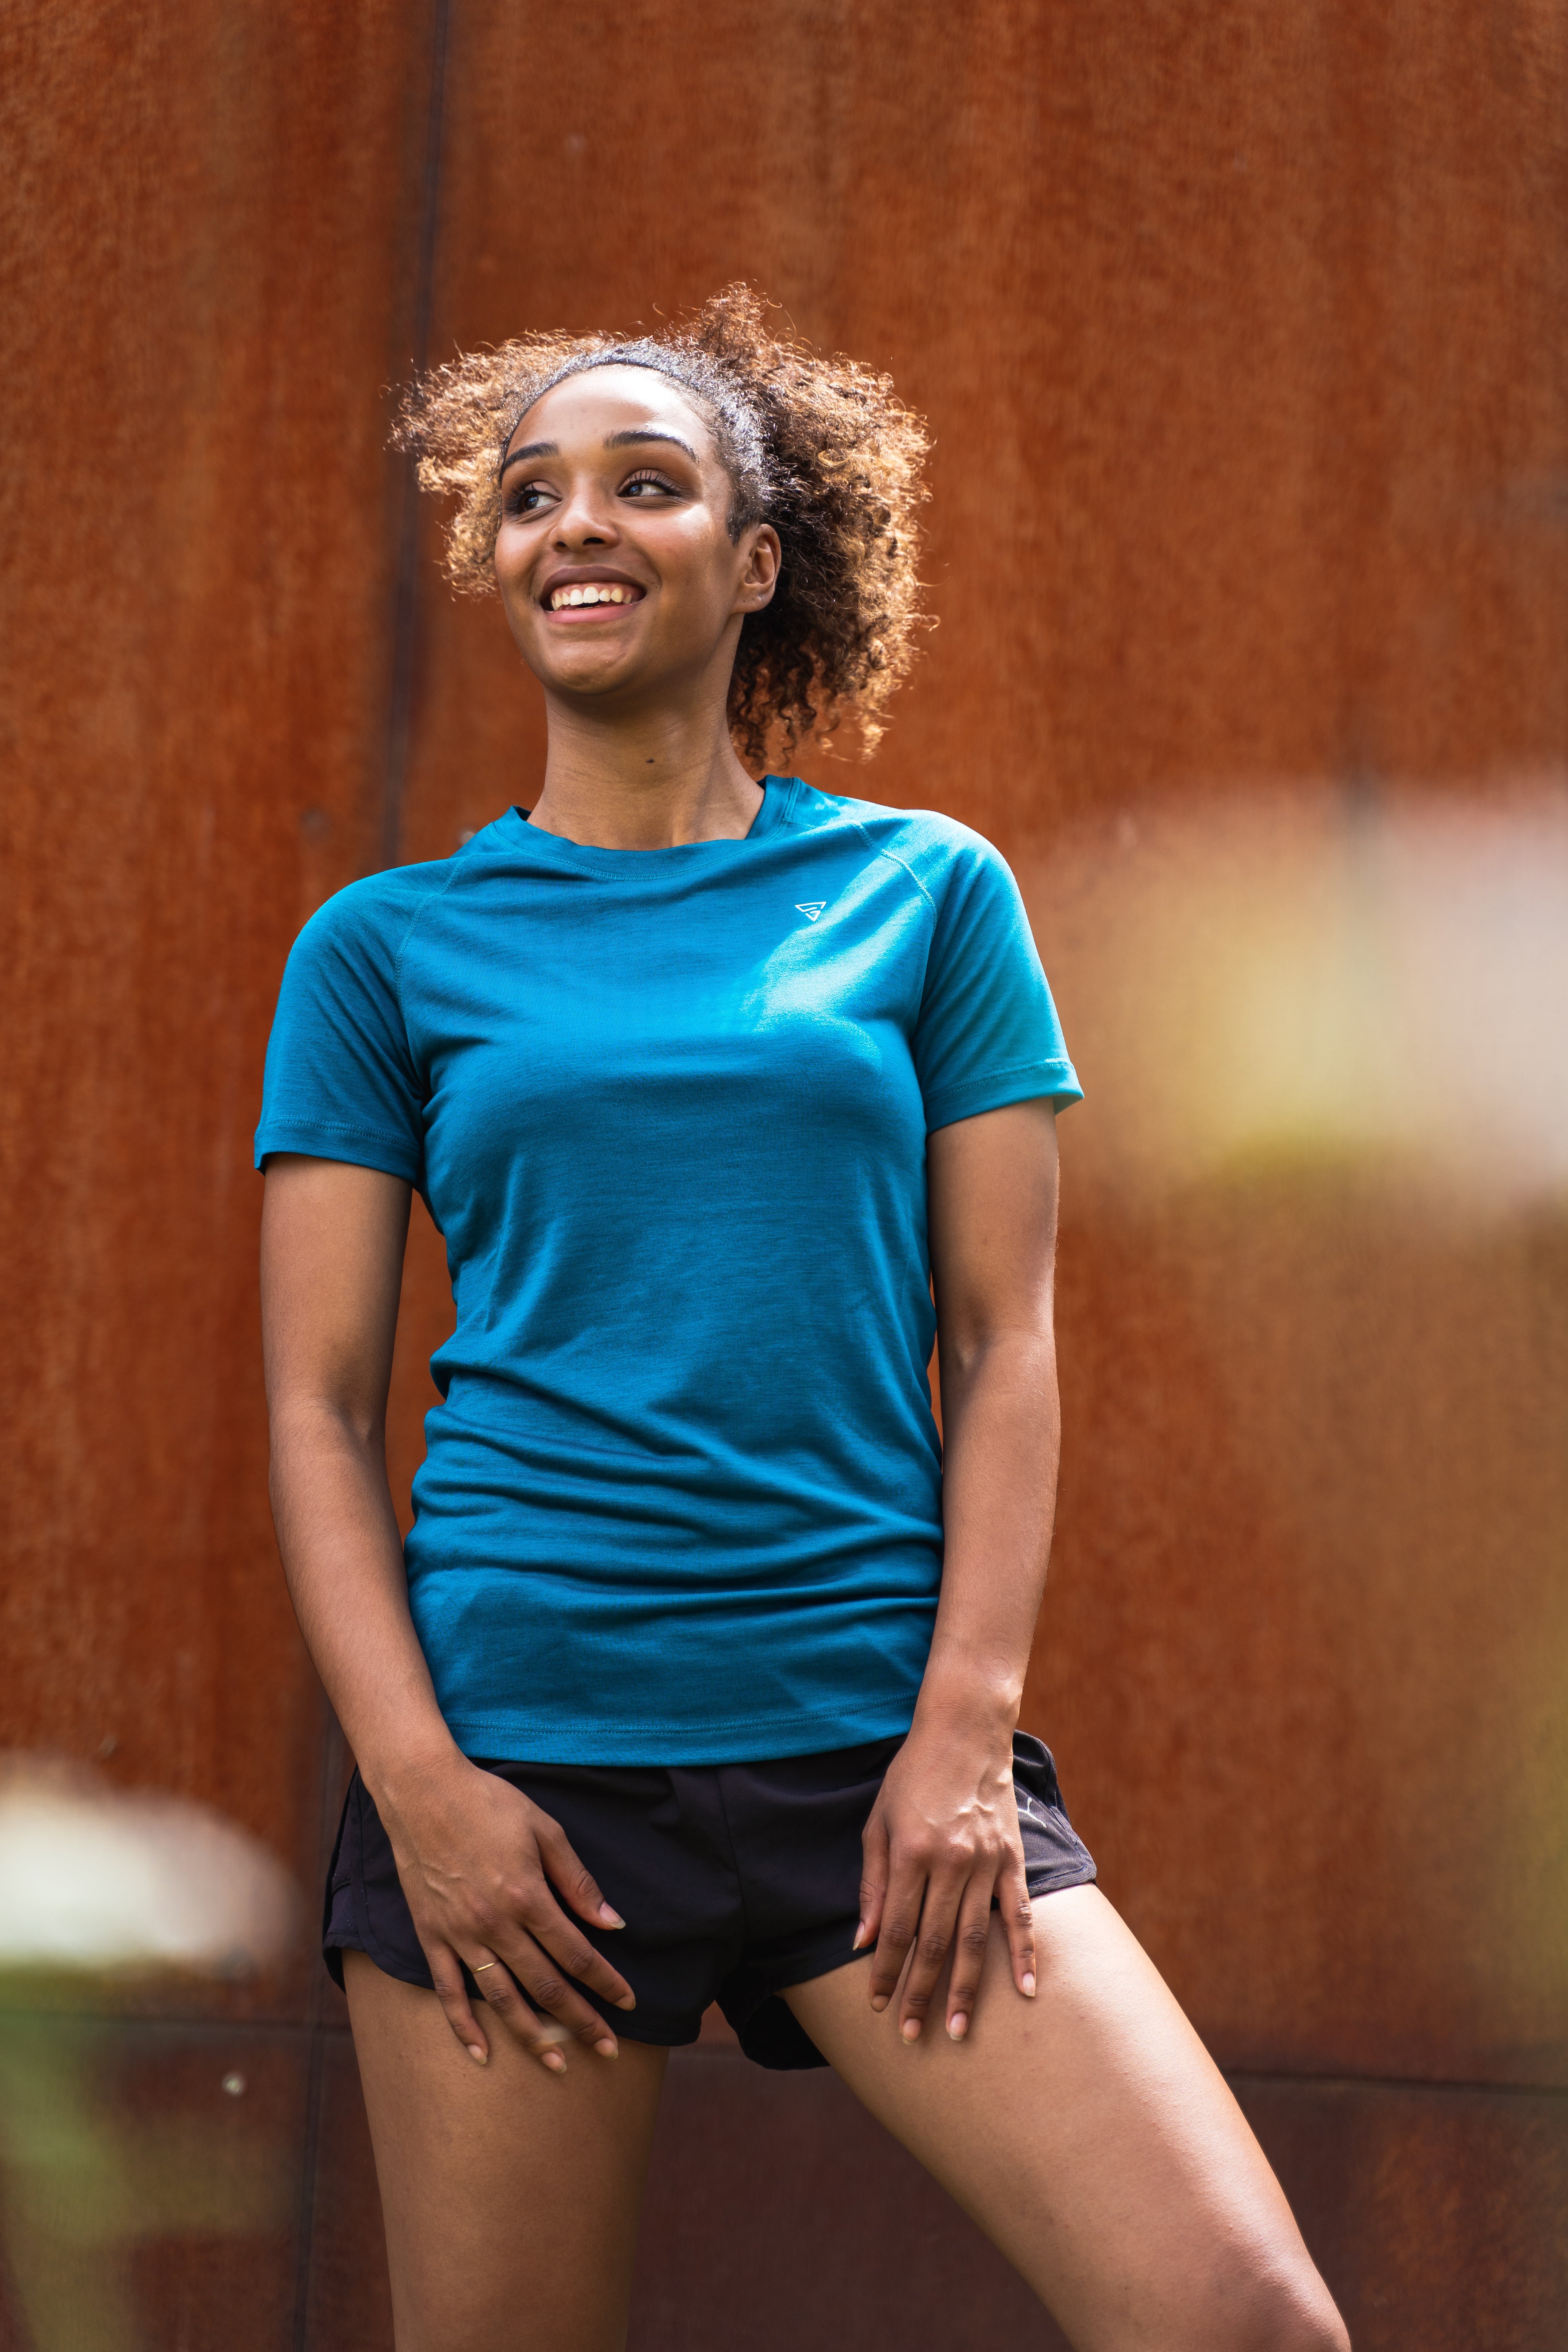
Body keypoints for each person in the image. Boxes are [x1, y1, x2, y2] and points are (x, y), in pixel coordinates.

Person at [257, 288, 1349, 2352]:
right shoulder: (386, 947)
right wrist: (418, 1789)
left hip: (879, 1763)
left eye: (644, 484)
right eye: (529, 497)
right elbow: (318, 1411)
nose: (574, 527)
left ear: (758, 562)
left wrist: (958, 1734)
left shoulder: (925, 894)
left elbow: (1004, 1340)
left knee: (1242, 2318)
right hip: (519, 1771)